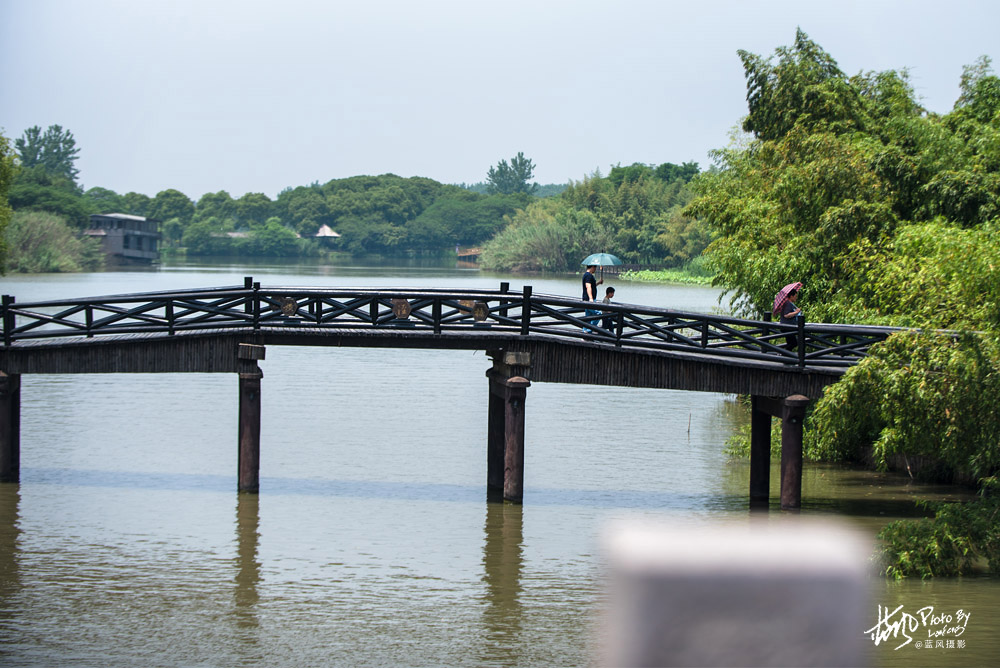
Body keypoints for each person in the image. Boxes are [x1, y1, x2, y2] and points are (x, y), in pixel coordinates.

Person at [581, 264, 603, 332]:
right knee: (598, 314)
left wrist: (599, 282)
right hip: (589, 300)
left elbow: (592, 286)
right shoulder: (588, 276)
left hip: (587, 299)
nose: (595, 269)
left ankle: (585, 332)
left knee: (588, 317)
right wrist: (591, 298)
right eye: (595, 267)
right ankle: (590, 329)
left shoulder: (587, 275)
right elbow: (588, 286)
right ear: (592, 267)